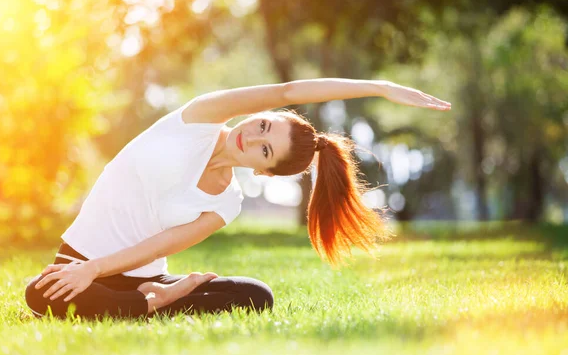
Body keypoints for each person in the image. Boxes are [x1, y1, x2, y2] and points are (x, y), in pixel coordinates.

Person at [24, 78, 451, 320]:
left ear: (265, 171)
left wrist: (103, 272)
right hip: (80, 256)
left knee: (256, 295)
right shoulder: (200, 117)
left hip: (132, 272)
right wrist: (377, 88)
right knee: (39, 295)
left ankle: (154, 298)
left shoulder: (227, 202)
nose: (253, 137)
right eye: (264, 126)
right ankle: (156, 302)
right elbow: (286, 93)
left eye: (265, 150)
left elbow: (158, 247)